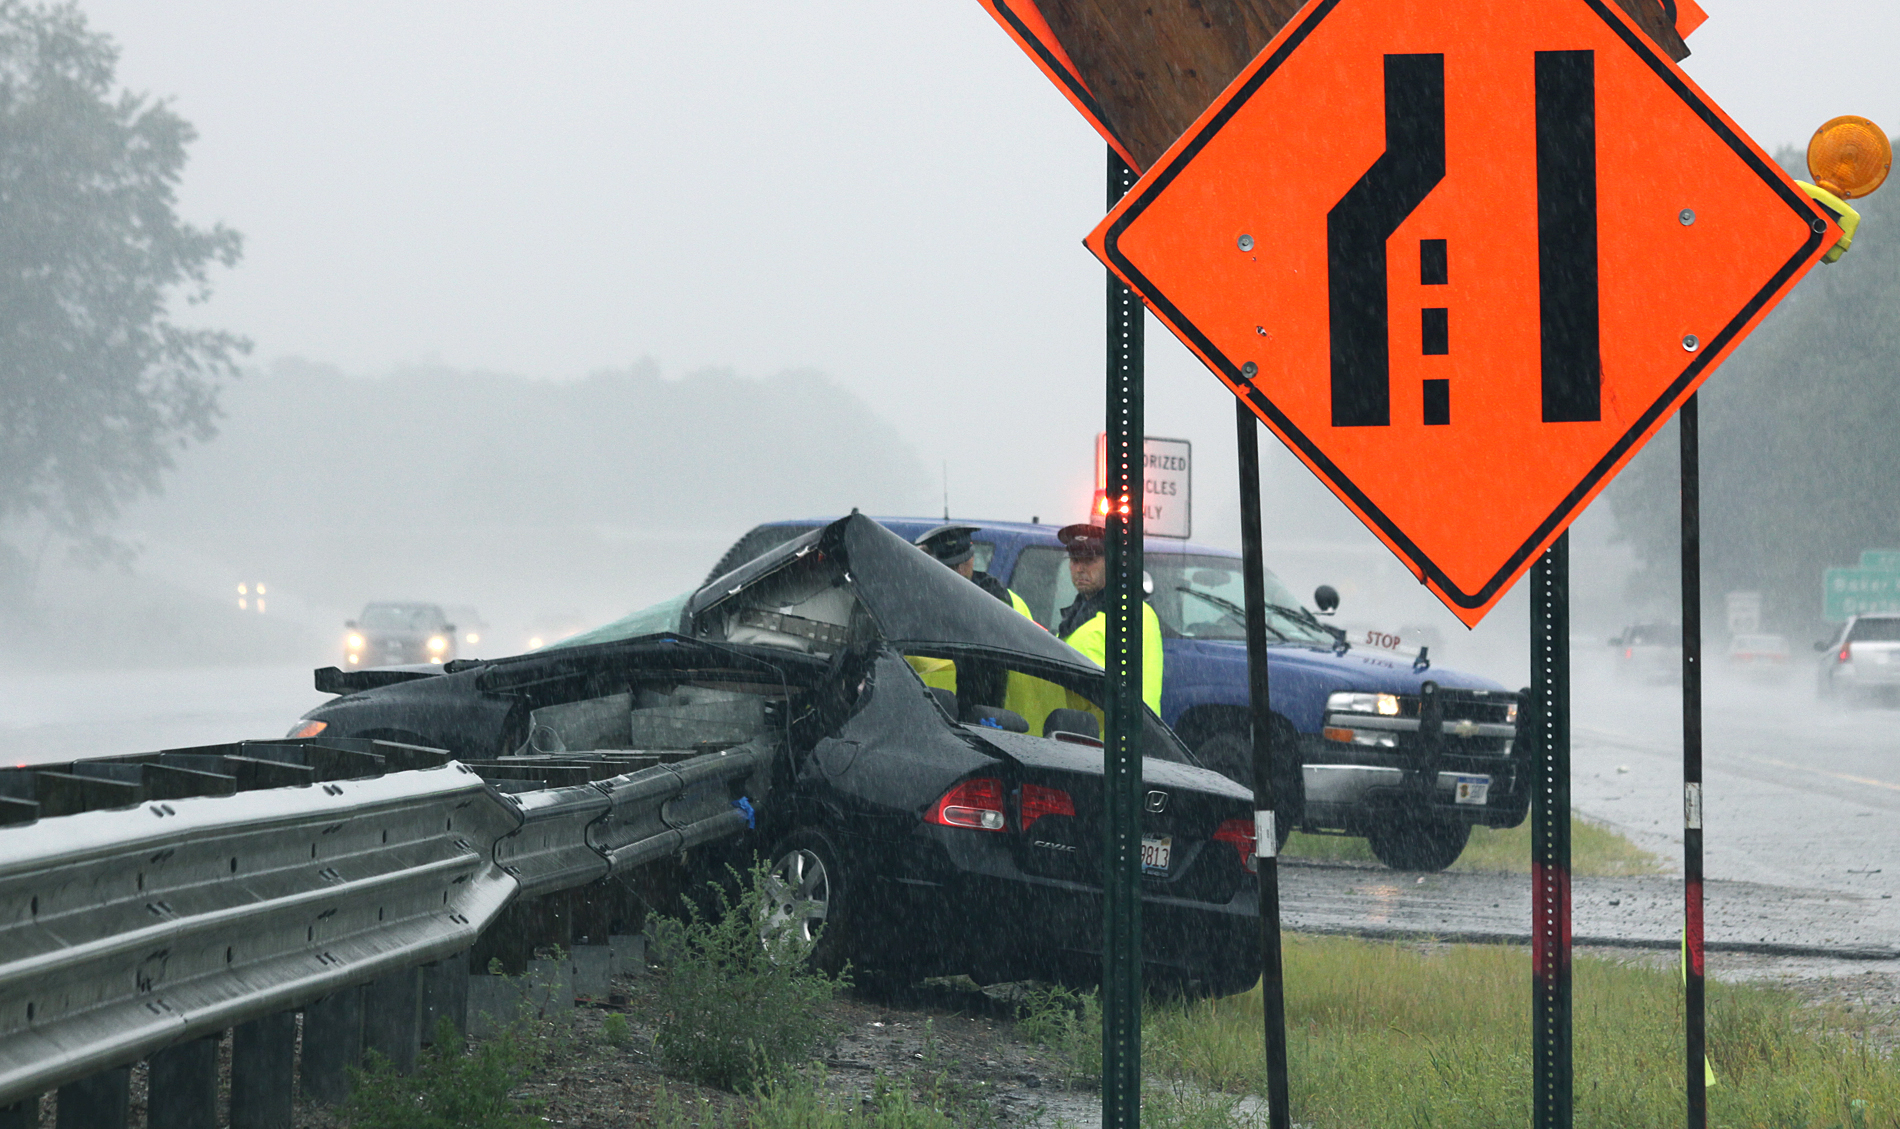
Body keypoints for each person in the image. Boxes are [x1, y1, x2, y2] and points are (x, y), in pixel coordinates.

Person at [1055, 523, 1164, 714]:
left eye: (1089, 559)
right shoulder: (1078, 615)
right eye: (1074, 559)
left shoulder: (1129, 613)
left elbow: (1122, 693)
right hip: (1086, 735)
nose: (1079, 568)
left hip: (1112, 739)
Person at [913, 524, 1035, 620]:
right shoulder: (920, 598)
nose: (960, 570)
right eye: (953, 566)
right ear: (934, 564)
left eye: (964, 562)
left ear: (972, 557)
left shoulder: (1005, 599)